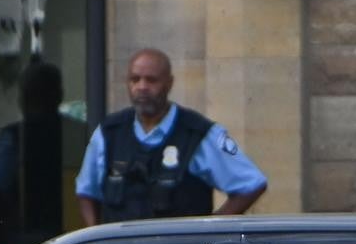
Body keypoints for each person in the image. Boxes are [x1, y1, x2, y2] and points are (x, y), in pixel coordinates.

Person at [75, 48, 267, 226]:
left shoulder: (197, 133)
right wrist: (97, 238)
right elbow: (86, 192)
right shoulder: (110, 132)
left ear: (169, 83)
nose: (142, 87)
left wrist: (209, 231)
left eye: (151, 80)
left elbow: (250, 184)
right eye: (135, 79)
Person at [0, 60, 69, 244]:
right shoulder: (76, 133)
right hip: (67, 237)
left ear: (23, 98)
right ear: (60, 96)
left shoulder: (12, 136)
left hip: (23, 239)